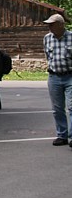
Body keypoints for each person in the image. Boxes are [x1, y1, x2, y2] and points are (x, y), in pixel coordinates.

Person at [42, 13, 72, 147]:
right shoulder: (47, 38)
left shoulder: (71, 37)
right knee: (57, 108)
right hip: (54, 76)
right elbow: (48, 57)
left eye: (52, 24)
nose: (49, 27)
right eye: (48, 25)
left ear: (61, 24)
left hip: (70, 76)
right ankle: (62, 135)